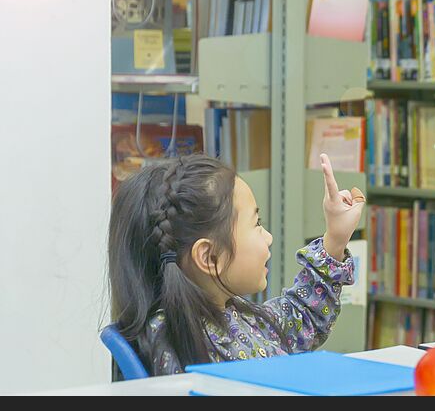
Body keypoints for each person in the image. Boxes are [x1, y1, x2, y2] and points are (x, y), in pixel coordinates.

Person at [109, 153, 365, 374]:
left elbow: (298, 319)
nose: (269, 237)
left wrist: (336, 239)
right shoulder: (182, 341)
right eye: (256, 223)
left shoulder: (229, 316)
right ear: (209, 257)